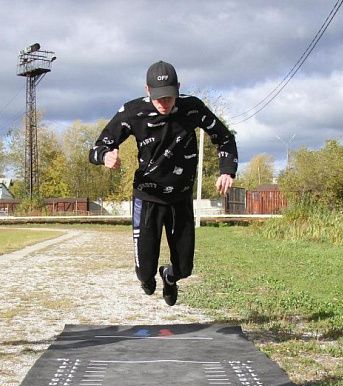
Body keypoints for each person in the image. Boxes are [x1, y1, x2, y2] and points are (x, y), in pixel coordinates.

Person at [89, 61, 238, 306]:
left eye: (169, 97)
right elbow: (97, 148)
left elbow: (224, 138)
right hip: (147, 198)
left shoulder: (192, 108)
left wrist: (227, 170)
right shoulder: (132, 111)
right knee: (145, 272)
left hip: (180, 198)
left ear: (178, 89)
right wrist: (106, 156)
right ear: (147, 90)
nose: (164, 103)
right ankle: (148, 279)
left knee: (185, 267)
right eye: (158, 98)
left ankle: (170, 277)